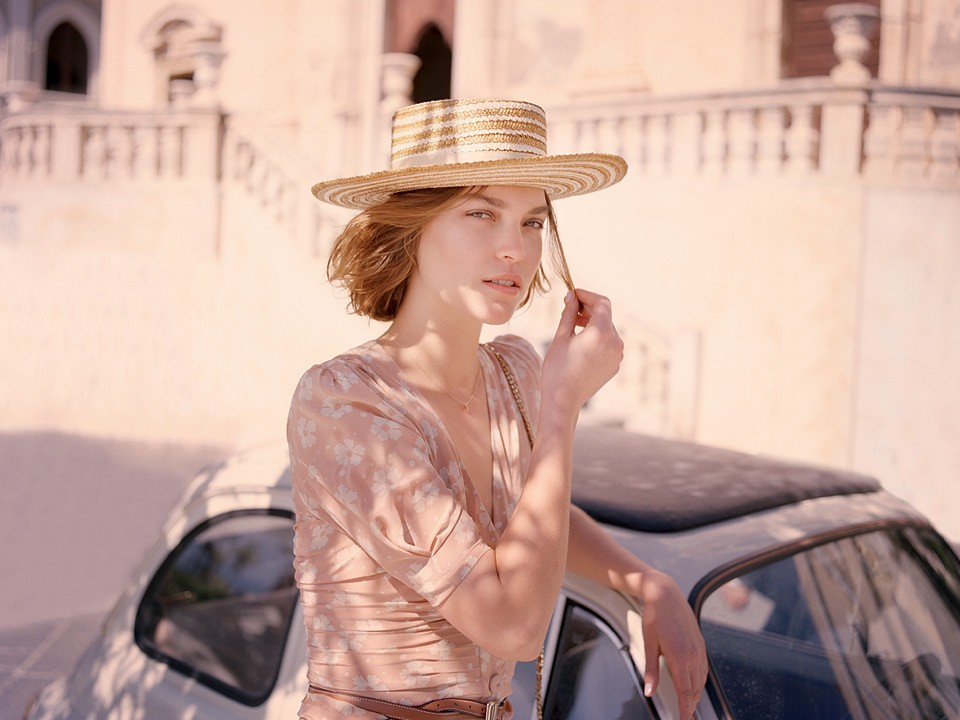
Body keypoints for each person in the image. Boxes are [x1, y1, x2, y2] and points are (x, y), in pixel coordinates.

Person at [288, 98, 707, 720]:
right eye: (481, 213)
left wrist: (643, 579)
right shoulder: (345, 402)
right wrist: (563, 408)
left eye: (533, 222)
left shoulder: (513, 371)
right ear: (412, 227)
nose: (515, 248)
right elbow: (513, 628)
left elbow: (529, 522)